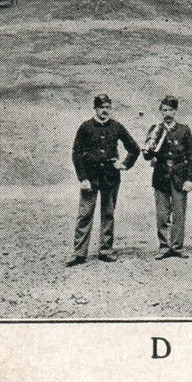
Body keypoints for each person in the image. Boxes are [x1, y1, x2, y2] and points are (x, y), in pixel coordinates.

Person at [67, 93, 140, 266]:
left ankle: (105, 250)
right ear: (95, 108)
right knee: (85, 214)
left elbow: (134, 148)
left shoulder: (116, 126)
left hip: (110, 177)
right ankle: (79, 253)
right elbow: (76, 154)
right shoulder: (85, 127)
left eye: (107, 107)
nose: (105, 111)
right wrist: (82, 178)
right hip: (90, 179)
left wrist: (124, 164)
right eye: (101, 107)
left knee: (108, 214)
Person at [142, 95, 192, 260]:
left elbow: (191, 155)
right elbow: (146, 155)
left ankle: (178, 247)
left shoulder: (184, 130)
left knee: (179, 213)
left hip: (179, 176)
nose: (168, 113)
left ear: (176, 111)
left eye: (171, 110)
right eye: (164, 110)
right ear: (160, 111)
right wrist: (149, 151)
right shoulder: (155, 130)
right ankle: (164, 247)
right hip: (161, 176)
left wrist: (189, 179)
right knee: (162, 215)